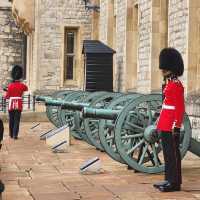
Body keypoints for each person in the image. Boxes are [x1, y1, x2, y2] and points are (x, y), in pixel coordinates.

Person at [153, 48, 185, 192]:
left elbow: (179, 108)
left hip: (171, 124)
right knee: (167, 154)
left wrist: (176, 125)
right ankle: (168, 179)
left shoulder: (177, 85)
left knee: (173, 155)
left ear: (170, 69)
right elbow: (165, 106)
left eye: (164, 68)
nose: (162, 71)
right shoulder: (169, 84)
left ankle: (175, 183)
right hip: (165, 123)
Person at [4, 65, 28, 140]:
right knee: (17, 120)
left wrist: (7, 91)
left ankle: (11, 134)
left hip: (11, 104)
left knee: (11, 120)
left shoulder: (10, 86)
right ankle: (15, 135)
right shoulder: (22, 85)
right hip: (19, 104)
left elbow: (7, 97)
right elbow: (26, 89)